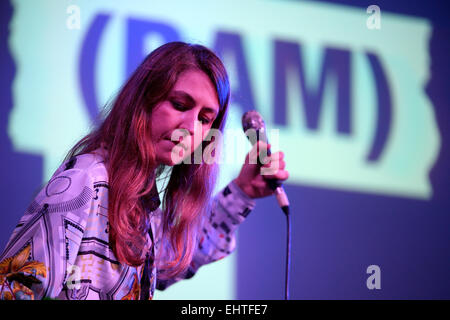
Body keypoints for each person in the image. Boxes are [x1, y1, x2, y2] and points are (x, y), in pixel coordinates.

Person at [0, 42, 289, 300]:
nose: (191, 127)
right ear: (142, 102)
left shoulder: (142, 203)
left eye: (204, 119)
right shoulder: (87, 179)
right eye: (179, 104)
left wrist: (240, 193)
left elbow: (175, 257)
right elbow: (16, 289)